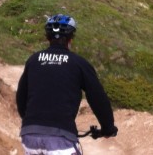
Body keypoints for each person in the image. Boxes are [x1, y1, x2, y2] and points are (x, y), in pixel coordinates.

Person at [16, 14, 117, 155]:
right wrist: (108, 128)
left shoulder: (33, 60)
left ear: (47, 38)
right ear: (70, 39)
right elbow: (97, 97)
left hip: (30, 136)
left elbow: (21, 97)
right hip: (60, 139)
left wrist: (33, 122)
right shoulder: (79, 63)